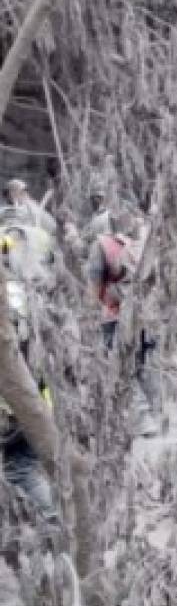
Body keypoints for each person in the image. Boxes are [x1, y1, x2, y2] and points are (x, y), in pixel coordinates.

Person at [0, 230, 62, 547]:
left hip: (11, 404)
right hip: (36, 396)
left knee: (20, 468)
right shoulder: (24, 294)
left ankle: (51, 527)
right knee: (23, 468)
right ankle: (53, 524)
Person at [85, 211, 162, 437]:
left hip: (115, 315)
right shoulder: (147, 240)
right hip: (149, 312)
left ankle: (143, 419)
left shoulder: (103, 245)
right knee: (147, 365)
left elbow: (94, 284)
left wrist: (89, 314)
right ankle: (155, 414)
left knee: (121, 367)